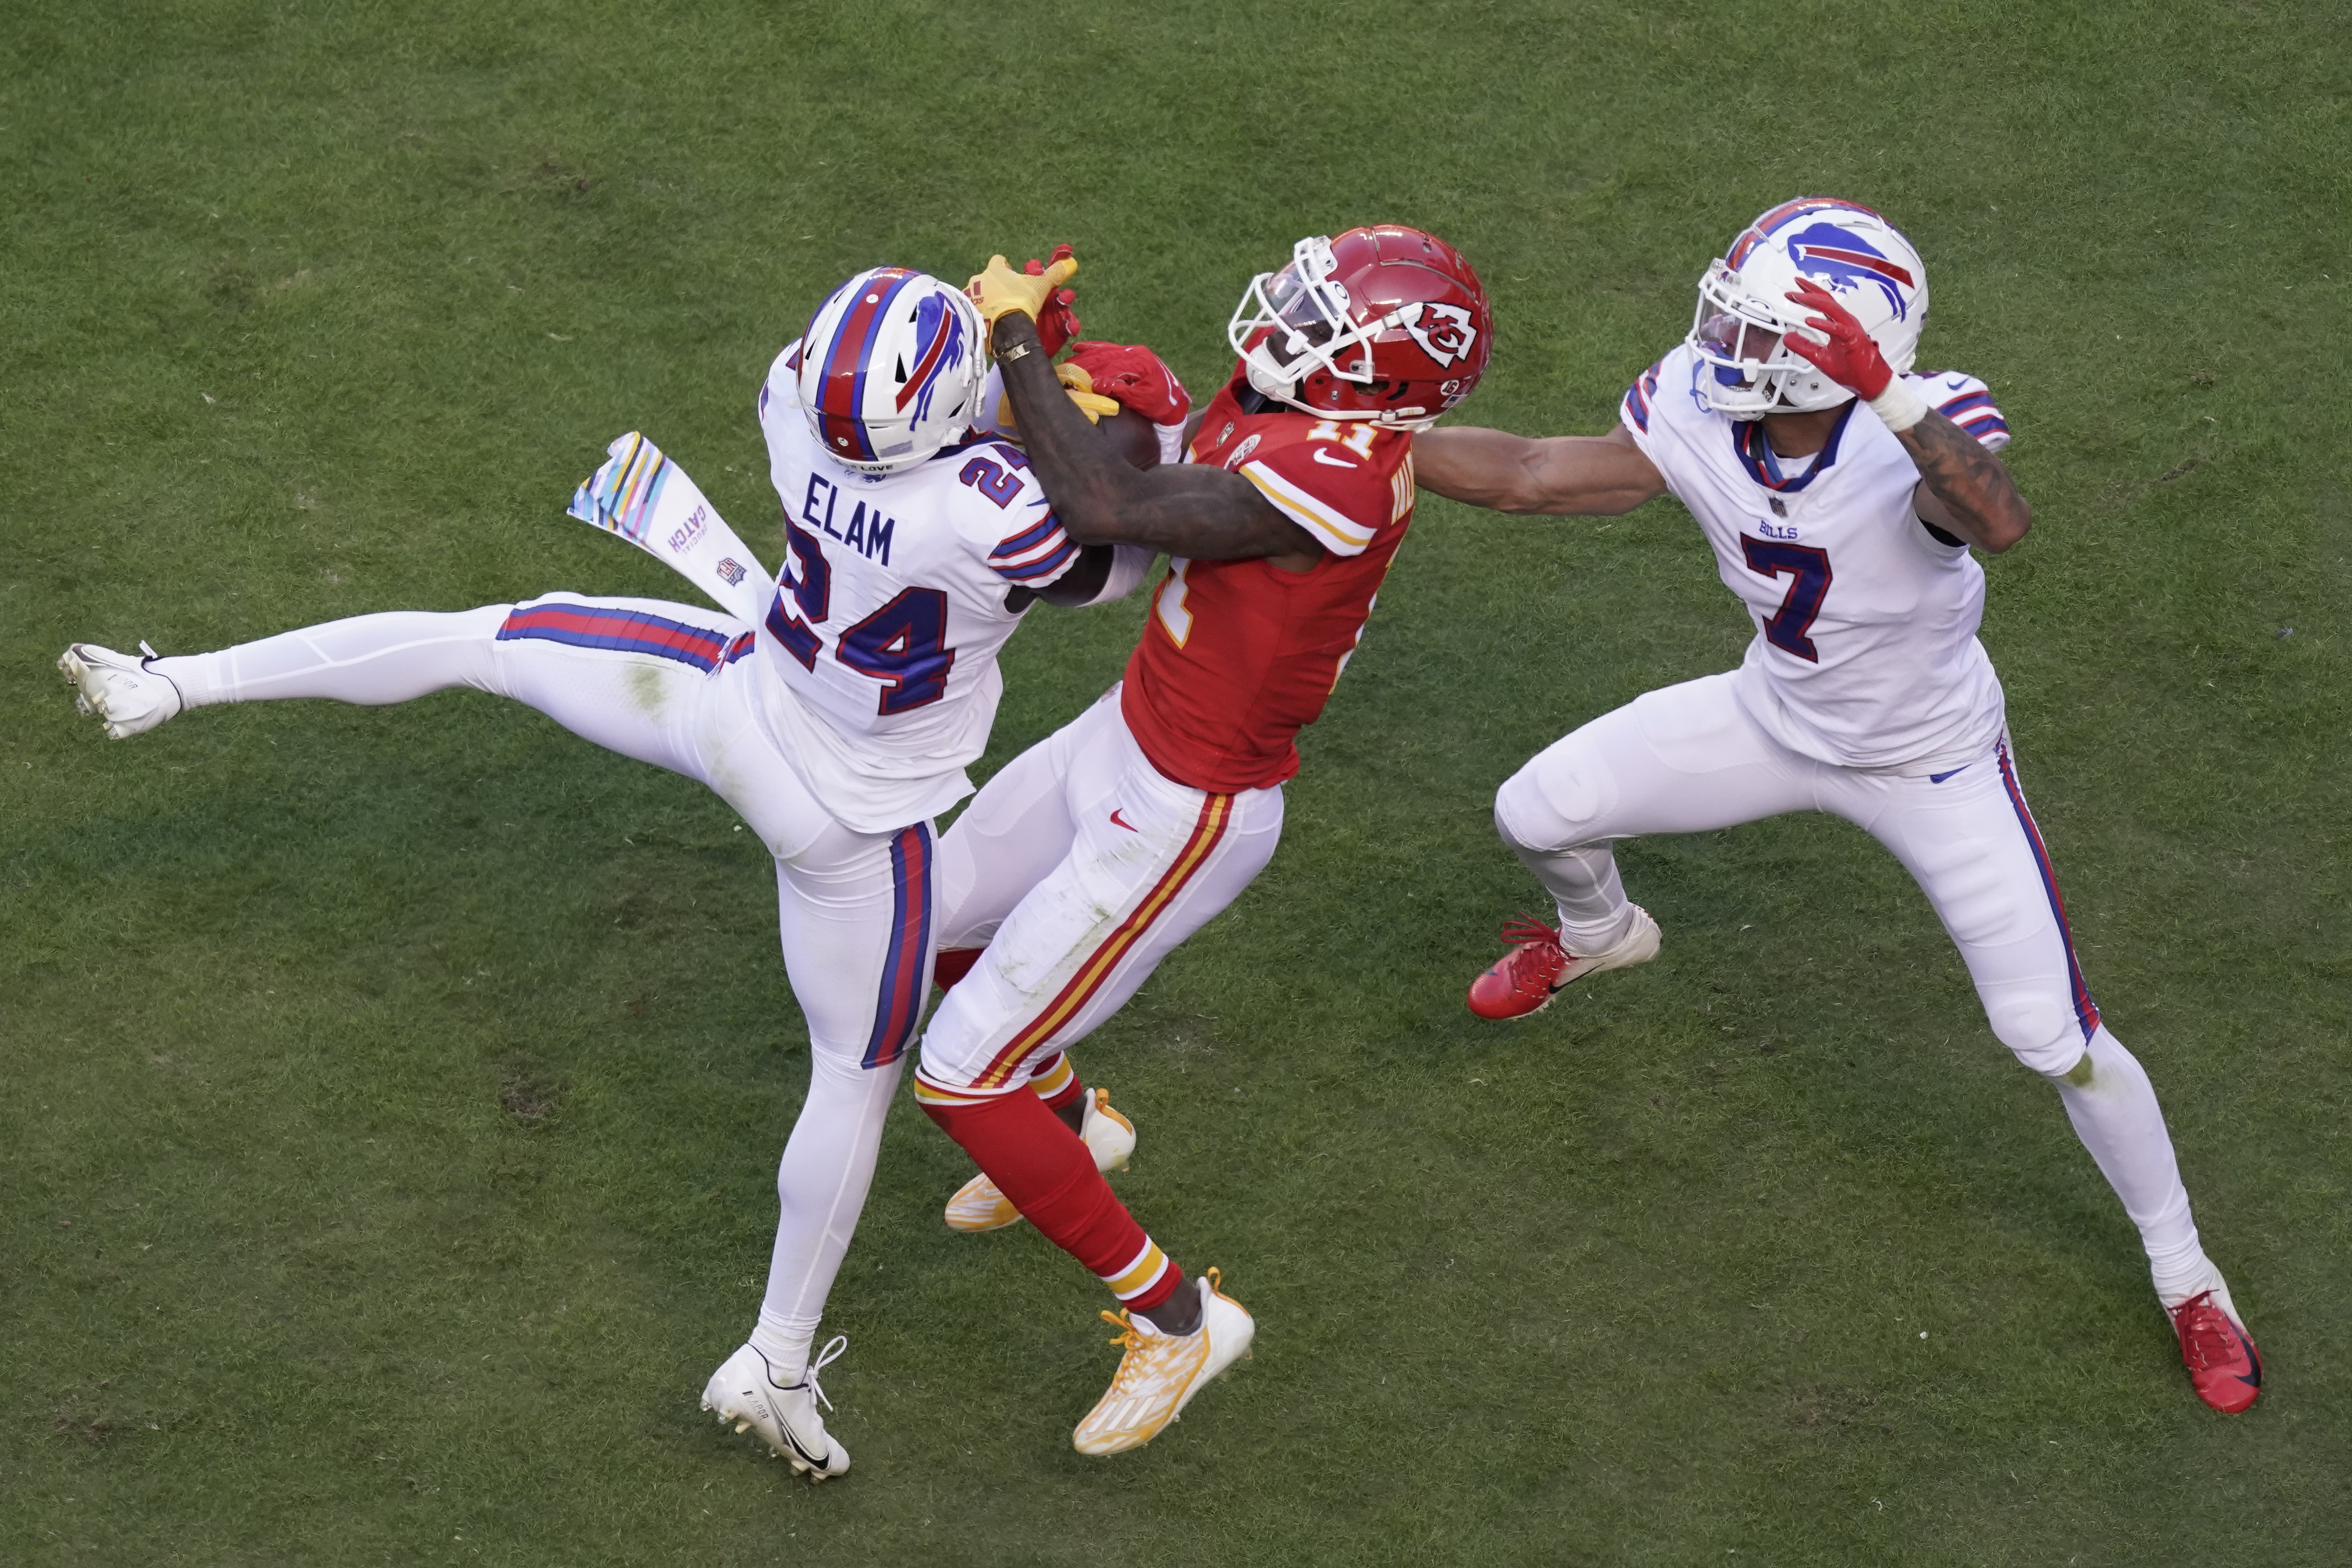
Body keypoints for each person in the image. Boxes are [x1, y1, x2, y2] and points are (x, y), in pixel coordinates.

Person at [56, 265, 1171, 1480]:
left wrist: (993, 372)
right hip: (858, 820)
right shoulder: (992, 507)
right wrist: (1102, 398)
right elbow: (1120, 538)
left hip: (734, 706)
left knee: (480, 639)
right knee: (851, 1081)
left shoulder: (793, 408)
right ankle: (777, 1357)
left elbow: (879, 410)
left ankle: (177, 680)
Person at [1410, 196, 2262, 1414]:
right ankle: (1602, 936)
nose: (1722, 347)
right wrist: (1370, 439)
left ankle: (2185, 1274)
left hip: (1932, 766)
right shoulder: (1699, 400)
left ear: (1855, 355)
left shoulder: (1922, 429)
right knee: (1535, 812)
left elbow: (1992, 520)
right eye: (1727, 314)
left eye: (1756, 333)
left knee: (2051, 1040)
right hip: (1774, 716)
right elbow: (1546, 476)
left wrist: (1891, 397)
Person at [912, 226, 1492, 1455]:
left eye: (1319, 313)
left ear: (1377, 375)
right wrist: (1076, 365)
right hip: (1127, 731)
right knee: (937, 928)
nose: (1284, 316)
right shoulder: (1292, 395)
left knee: (958, 1074)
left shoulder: (1344, 473)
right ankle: (1072, 1123)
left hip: (1186, 808)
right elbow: (1158, 458)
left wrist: (1015, 343)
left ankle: (1176, 1320)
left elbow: (1107, 504)